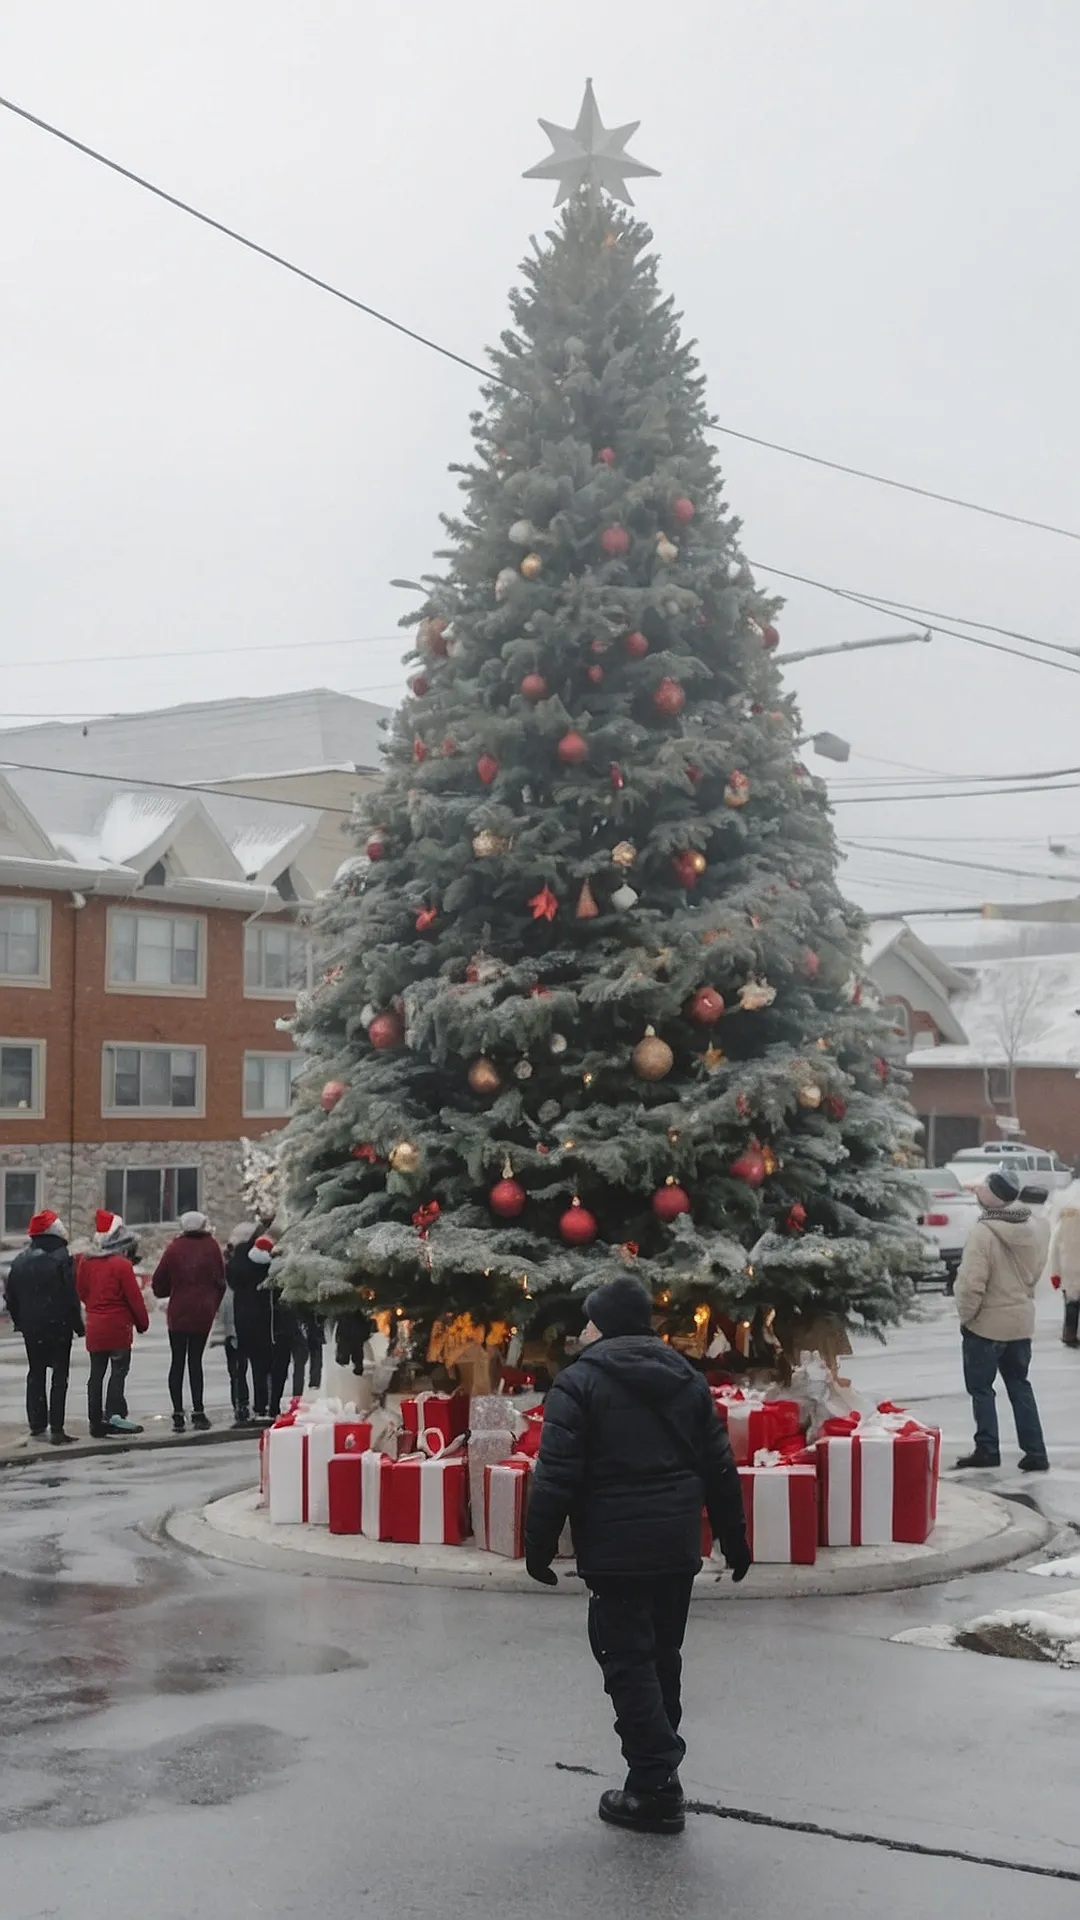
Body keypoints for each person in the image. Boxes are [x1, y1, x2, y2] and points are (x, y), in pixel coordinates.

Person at [524, 1275, 750, 1835]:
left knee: (627, 1662)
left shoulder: (578, 1384)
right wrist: (734, 1537)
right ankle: (654, 1771)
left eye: (590, 1319)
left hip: (616, 1549)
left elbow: (555, 1476)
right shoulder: (686, 1378)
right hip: (675, 1547)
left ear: (605, 1324)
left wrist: (538, 1546)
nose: (584, 1329)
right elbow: (719, 1466)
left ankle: (654, 1786)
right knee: (661, 1656)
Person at [954, 1167, 1051, 1471]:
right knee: (1020, 1384)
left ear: (991, 1197)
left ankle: (987, 1448)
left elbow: (972, 1282)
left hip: (986, 1324)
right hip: (1020, 1322)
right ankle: (1035, 1452)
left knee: (982, 1389)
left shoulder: (983, 1232)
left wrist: (966, 1316)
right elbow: (1037, 1272)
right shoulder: (1033, 1226)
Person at [2, 1207, 83, 1445]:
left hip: (32, 1327)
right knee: (59, 1376)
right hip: (58, 1325)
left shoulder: (20, 1260)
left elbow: (11, 1297)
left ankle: (37, 1424)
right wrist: (78, 1325)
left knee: (35, 1374)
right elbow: (70, 1295)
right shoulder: (61, 1258)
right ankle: (57, 1428)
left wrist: (20, 1321)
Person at [76, 1210, 149, 1437]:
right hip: (118, 1328)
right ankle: (114, 1415)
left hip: (96, 1327)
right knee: (118, 1372)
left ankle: (95, 1420)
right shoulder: (121, 1265)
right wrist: (142, 1323)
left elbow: (82, 1291)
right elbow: (133, 1299)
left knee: (96, 1374)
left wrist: (96, 1309)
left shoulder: (85, 1263)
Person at [151, 1211, 226, 1432]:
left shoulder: (174, 1248)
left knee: (177, 1362)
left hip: (179, 1312)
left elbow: (158, 1284)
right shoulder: (212, 1247)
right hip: (202, 1312)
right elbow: (221, 1281)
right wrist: (211, 1302)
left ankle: (177, 1413)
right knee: (195, 1362)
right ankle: (199, 1411)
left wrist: (172, 1290)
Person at [226, 1226, 276, 1421]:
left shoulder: (235, 1262)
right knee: (261, 1365)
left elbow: (230, 1287)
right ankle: (262, 1405)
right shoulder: (264, 1259)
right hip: (263, 1316)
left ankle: (241, 1405)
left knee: (238, 1367)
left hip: (240, 1316)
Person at [1048, 1202, 1080, 1348]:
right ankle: (1070, 1335)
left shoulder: (1065, 1220)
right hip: (1070, 1271)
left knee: (1072, 1304)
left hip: (1070, 1270)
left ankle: (1070, 1334)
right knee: (1072, 1304)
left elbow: (1054, 1248)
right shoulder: (1067, 1219)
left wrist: (1055, 1272)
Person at [291, 1311, 325, 1399]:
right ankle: (314, 1383)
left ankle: (298, 1390)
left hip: (301, 1321)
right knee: (315, 1354)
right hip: (313, 1321)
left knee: (300, 1360)